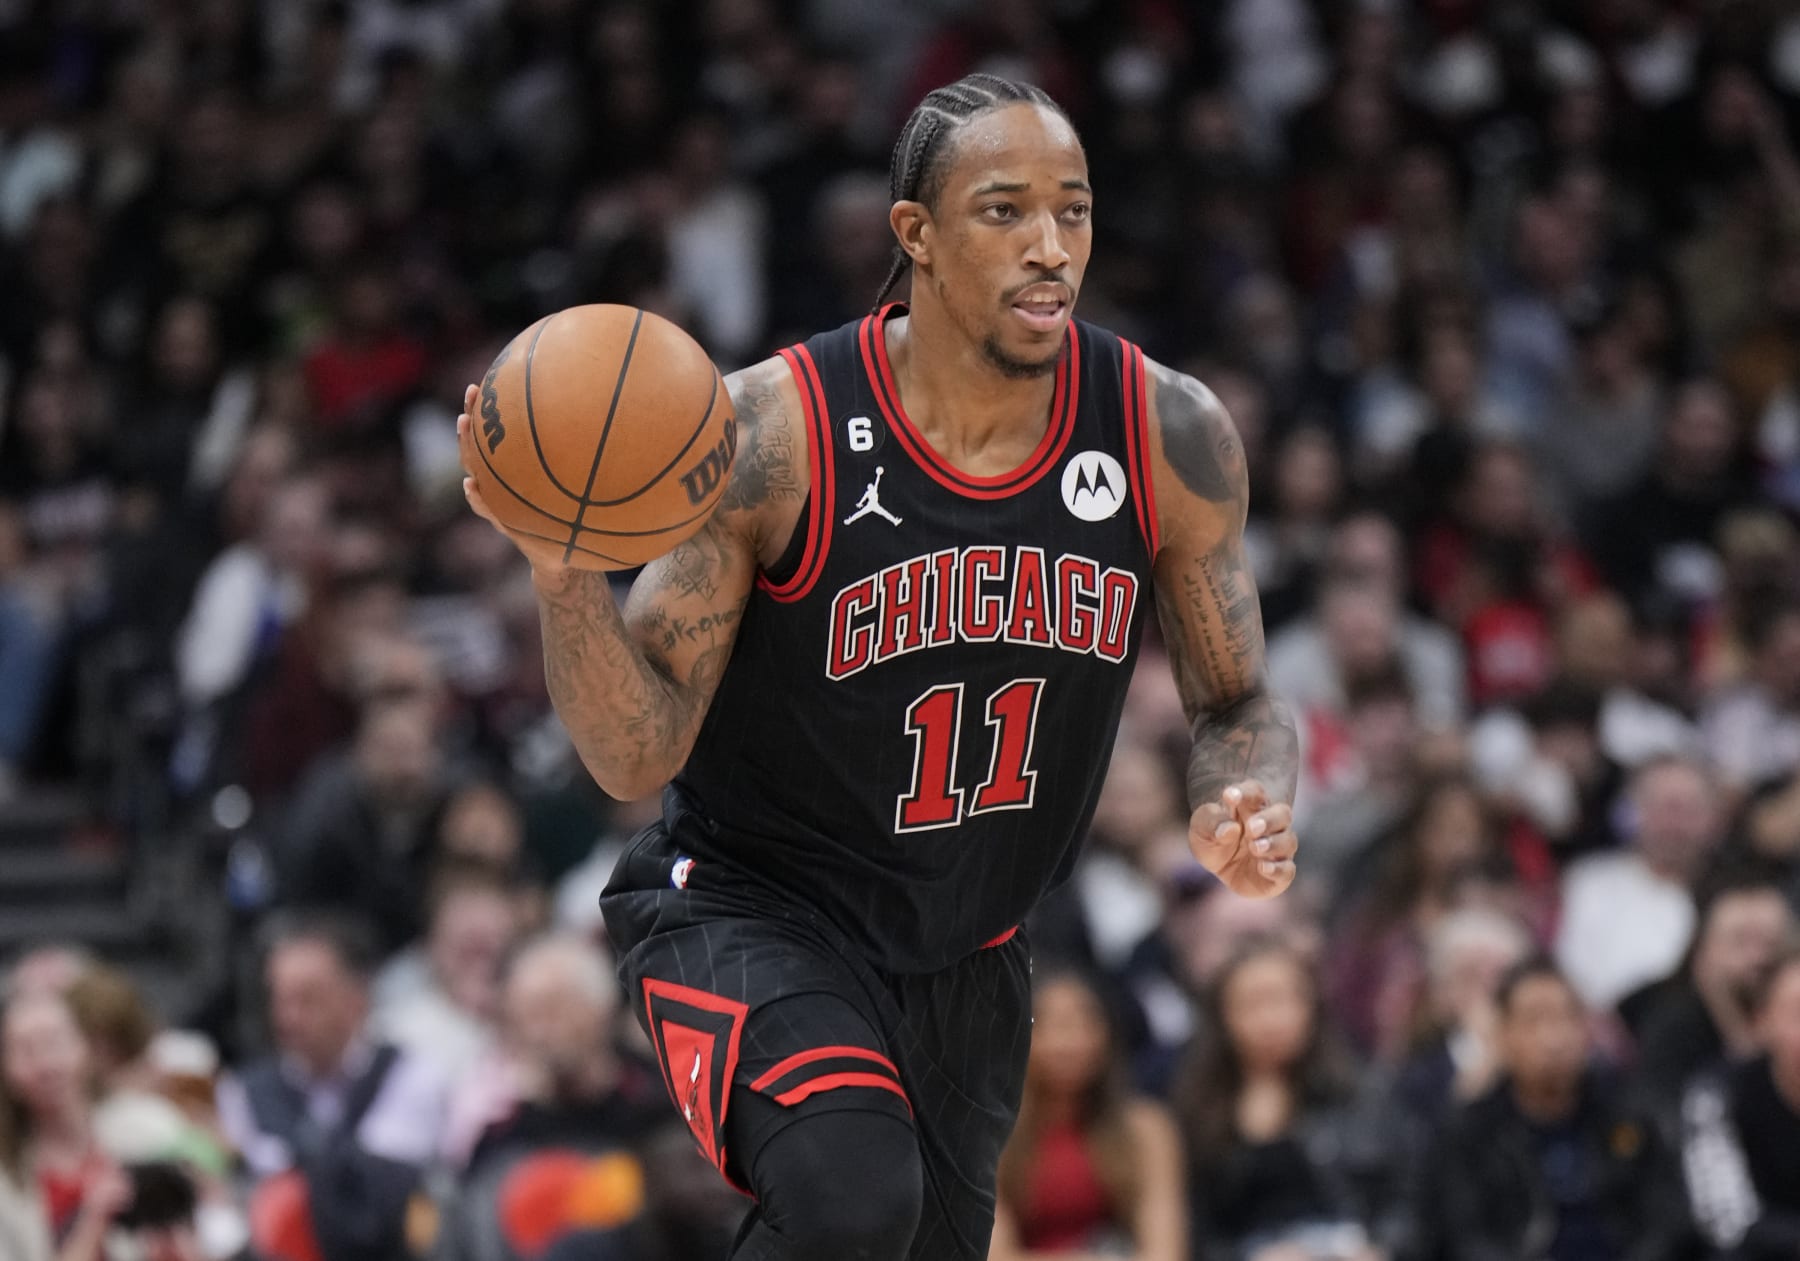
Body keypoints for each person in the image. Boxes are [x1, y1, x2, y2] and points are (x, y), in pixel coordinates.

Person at [456, 73, 1300, 1261]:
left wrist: (1242, 794)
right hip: (753, 906)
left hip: (969, 953)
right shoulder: (773, 434)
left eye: (1075, 208)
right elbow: (634, 750)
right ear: (915, 235)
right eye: (1006, 212)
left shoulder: (1169, 432)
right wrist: (560, 578)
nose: (1051, 246)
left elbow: (1238, 698)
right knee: (852, 1199)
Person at [1418, 958, 1689, 1261]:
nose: (1555, 1038)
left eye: (1568, 1018)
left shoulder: (1631, 1114)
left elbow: (1667, 1224)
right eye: (1535, 1020)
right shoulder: (1470, 1132)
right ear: (1503, 1035)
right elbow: (1466, 1239)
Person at [989, 970, 1186, 1259]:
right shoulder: (993, 1134)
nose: (1070, 1040)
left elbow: (1165, 1251)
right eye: (1053, 1025)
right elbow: (991, 1254)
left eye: (1085, 1022)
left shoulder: (1146, 1128)